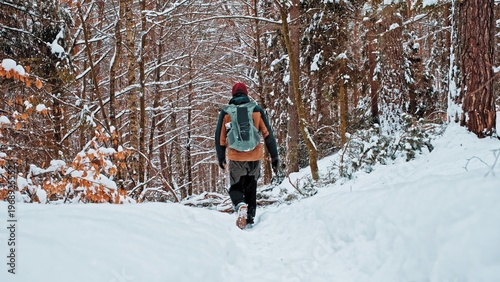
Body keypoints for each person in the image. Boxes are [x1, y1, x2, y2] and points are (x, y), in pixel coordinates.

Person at [214, 82, 279, 229]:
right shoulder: (256, 110)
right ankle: (249, 220)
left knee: (235, 187)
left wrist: (221, 158)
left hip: (236, 157)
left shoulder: (226, 112)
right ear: (246, 93)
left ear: (233, 94)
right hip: (255, 156)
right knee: (251, 187)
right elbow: (268, 135)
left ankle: (240, 205)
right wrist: (274, 157)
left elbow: (220, 138)